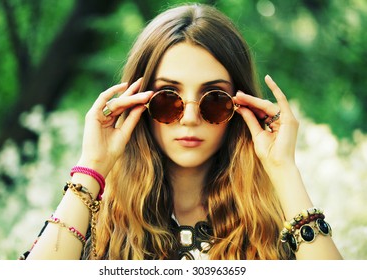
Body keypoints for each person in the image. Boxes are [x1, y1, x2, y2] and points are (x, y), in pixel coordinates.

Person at [21, 3, 342, 260]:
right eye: (167, 99)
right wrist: (91, 166)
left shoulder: (277, 232)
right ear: (138, 104)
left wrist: (284, 168)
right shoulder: (95, 226)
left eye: (213, 100)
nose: (189, 118)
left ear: (239, 107)